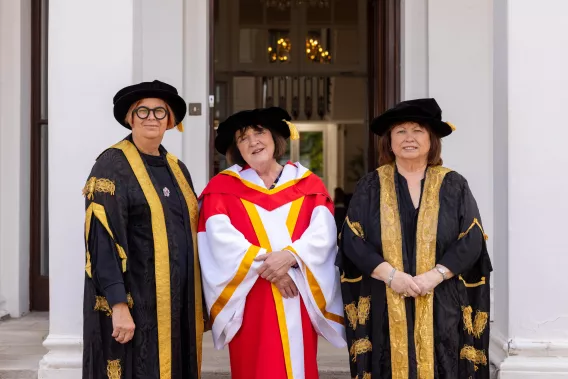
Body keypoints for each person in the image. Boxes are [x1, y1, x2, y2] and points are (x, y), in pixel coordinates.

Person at [336, 98, 493, 378]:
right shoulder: (370, 185)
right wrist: (391, 276)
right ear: (390, 141)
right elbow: (351, 239)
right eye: (401, 131)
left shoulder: (454, 185)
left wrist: (434, 276)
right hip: (384, 301)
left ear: (432, 140)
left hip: (442, 302)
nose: (409, 138)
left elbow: (472, 239)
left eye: (418, 130)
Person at [198, 107, 346, 379]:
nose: (253, 141)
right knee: (254, 365)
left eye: (259, 132)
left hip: (297, 289)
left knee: (298, 363)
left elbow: (323, 236)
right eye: (243, 138)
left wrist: (291, 257)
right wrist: (272, 270)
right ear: (237, 149)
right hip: (249, 295)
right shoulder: (221, 188)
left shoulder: (309, 184)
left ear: (275, 138)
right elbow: (219, 241)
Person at [82, 80, 204, 379]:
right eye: (143, 111)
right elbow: (102, 241)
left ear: (171, 121)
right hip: (135, 302)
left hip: (177, 304)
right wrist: (118, 305)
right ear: (130, 118)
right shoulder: (112, 165)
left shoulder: (177, 167)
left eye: (160, 112)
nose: (152, 117)